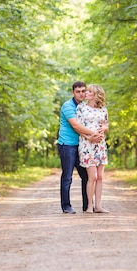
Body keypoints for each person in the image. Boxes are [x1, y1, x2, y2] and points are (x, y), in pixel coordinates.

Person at [57, 81, 102, 214]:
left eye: (84, 91)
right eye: (78, 91)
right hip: (68, 145)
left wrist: (96, 133)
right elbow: (76, 126)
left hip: (83, 145)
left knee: (87, 176)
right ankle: (66, 206)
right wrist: (91, 135)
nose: (81, 94)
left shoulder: (86, 106)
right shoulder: (68, 106)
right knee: (67, 176)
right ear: (73, 92)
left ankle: (87, 205)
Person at [77, 84, 109, 213]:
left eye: (89, 91)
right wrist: (89, 137)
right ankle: (89, 205)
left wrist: (105, 128)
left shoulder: (103, 109)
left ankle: (98, 205)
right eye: (87, 91)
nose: (86, 93)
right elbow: (78, 127)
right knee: (93, 177)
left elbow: (106, 124)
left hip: (100, 145)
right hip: (87, 145)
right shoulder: (81, 108)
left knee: (100, 176)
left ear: (96, 95)